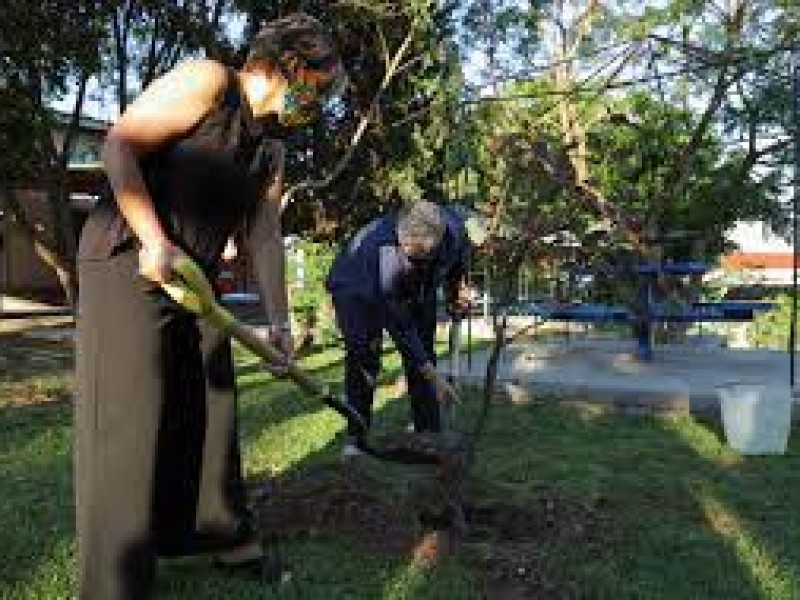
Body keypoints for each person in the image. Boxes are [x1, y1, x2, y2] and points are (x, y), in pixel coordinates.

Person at [74, 13, 344, 599]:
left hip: (191, 279)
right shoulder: (207, 82)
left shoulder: (271, 145)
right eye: (318, 87)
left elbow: (265, 235)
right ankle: (112, 582)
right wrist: (152, 239)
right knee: (129, 419)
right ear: (286, 67)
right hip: (128, 257)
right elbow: (118, 145)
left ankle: (217, 538)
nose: (318, 104)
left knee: (210, 402)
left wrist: (279, 324)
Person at [325, 200, 486, 455]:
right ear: (401, 238)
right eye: (412, 255)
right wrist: (434, 376)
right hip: (356, 286)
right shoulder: (384, 252)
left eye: (424, 256)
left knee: (424, 348)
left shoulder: (453, 230)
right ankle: (357, 438)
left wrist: (457, 291)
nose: (417, 259)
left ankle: (429, 432)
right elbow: (400, 324)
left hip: (416, 285)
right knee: (363, 357)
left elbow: (458, 257)